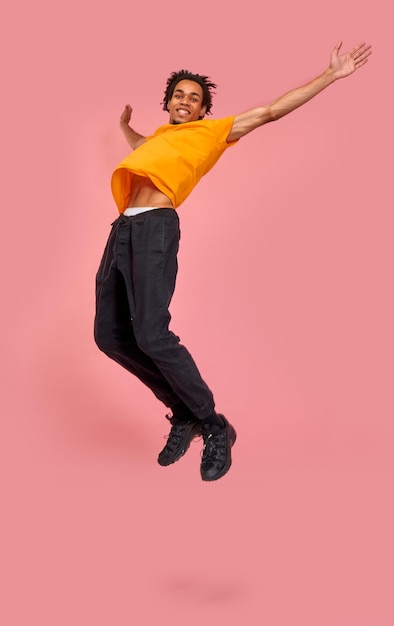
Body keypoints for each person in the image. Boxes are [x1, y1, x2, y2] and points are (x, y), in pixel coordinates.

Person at [94, 41, 372, 482]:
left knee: (151, 333)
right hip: (121, 231)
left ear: (203, 110)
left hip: (154, 229)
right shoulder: (161, 138)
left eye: (194, 98)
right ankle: (183, 412)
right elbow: (146, 145)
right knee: (108, 336)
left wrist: (328, 76)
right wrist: (127, 129)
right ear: (167, 102)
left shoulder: (211, 132)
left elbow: (269, 111)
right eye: (179, 95)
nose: (185, 101)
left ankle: (213, 423)